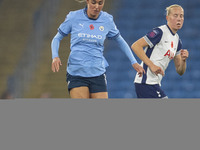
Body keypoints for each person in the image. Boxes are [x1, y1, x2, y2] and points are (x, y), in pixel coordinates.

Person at [51, 0, 145, 99]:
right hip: (76, 73)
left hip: (97, 72)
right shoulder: (73, 17)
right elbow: (57, 38)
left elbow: (120, 41)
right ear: (87, 1)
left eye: (100, 3)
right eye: (93, 2)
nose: (97, 6)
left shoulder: (107, 20)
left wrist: (133, 61)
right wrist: (55, 56)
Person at [131, 4, 189, 98]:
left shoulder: (178, 41)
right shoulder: (159, 32)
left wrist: (183, 60)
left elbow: (180, 71)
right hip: (145, 82)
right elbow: (136, 46)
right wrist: (152, 65)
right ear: (167, 18)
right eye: (175, 15)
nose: (179, 19)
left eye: (181, 16)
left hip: (154, 84)